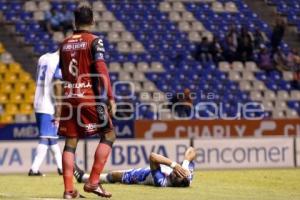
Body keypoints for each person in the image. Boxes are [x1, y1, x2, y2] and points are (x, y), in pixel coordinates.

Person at [56, 5, 116, 199]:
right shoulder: (94, 41)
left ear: (75, 22)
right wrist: (110, 97)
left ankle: (69, 191)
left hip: (69, 97)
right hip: (88, 97)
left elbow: (63, 74)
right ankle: (93, 182)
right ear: (92, 21)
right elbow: (101, 69)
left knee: (70, 142)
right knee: (109, 134)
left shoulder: (64, 44)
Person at [74, 147, 196, 187]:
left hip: (141, 176)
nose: (176, 173)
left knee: (113, 175)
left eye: (176, 176)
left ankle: (83, 178)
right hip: (151, 171)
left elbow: (153, 157)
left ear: (174, 182)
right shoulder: (186, 175)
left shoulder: (162, 182)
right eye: (178, 173)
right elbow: (192, 150)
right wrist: (184, 162)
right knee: (113, 175)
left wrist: (174, 165)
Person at [29, 50, 63, 176]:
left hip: (38, 100)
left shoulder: (43, 57)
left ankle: (61, 168)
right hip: (48, 104)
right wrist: (59, 107)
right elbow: (57, 85)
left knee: (52, 138)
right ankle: (34, 169)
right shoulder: (58, 61)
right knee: (45, 137)